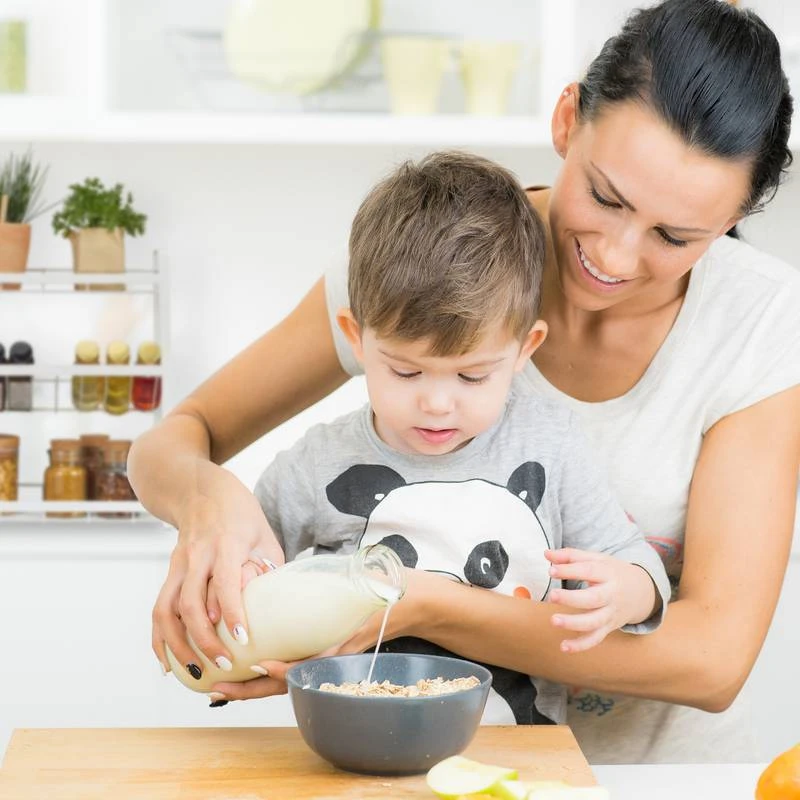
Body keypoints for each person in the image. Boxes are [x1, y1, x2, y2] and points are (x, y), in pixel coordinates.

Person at [128, 0, 800, 764]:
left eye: (676, 237)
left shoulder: (760, 322)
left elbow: (712, 660)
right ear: (567, 120)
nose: (615, 257)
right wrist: (208, 505)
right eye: (606, 196)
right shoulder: (434, 263)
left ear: (735, 215)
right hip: (413, 769)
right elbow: (173, 443)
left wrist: (417, 609)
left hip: (658, 781)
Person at [238, 151, 669, 726]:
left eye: (473, 376)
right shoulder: (319, 464)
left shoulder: (552, 446)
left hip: (520, 755)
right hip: (356, 745)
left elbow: (632, 562)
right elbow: (250, 569)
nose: (438, 403)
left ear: (525, 350)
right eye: (406, 372)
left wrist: (629, 592)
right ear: (356, 339)